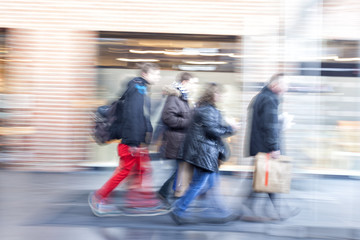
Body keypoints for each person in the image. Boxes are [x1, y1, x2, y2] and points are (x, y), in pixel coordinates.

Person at [88, 63, 166, 216]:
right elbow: (133, 116)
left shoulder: (140, 89)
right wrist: (133, 142)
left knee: (142, 170)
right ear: (145, 74)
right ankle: (99, 197)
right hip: (131, 142)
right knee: (124, 172)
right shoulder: (137, 88)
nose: (159, 77)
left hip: (135, 141)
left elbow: (144, 114)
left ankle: (137, 201)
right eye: (156, 74)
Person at [170, 83, 238, 225]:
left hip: (203, 152)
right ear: (214, 94)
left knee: (211, 183)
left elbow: (213, 128)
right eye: (221, 94)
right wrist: (231, 128)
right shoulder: (208, 110)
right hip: (203, 153)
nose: (222, 97)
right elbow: (214, 131)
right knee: (199, 183)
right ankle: (179, 209)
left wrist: (227, 126)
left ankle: (221, 212)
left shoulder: (206, 108)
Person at [241, 73, 299, 221]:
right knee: (268, 177)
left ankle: (252, 207)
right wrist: (274, 147)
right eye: (285, 84)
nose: (287, 87)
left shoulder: (262, 96)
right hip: (265, 146)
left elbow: (264, 122)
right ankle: (275, 210)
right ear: (275, 85)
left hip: (260, 144)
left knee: (262, 177)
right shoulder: (270, 99)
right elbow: (269, 125)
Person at [156, 72, 194, 204]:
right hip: (176, 139)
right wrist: (187, 122)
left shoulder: (183, 97)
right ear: (184, 82)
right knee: (179, 168)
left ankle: (169, 192)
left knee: (179, 168)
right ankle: (165, 192)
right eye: (193, 83)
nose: (194, 86)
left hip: (181, 139)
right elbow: (168, 117)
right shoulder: (175, 97)